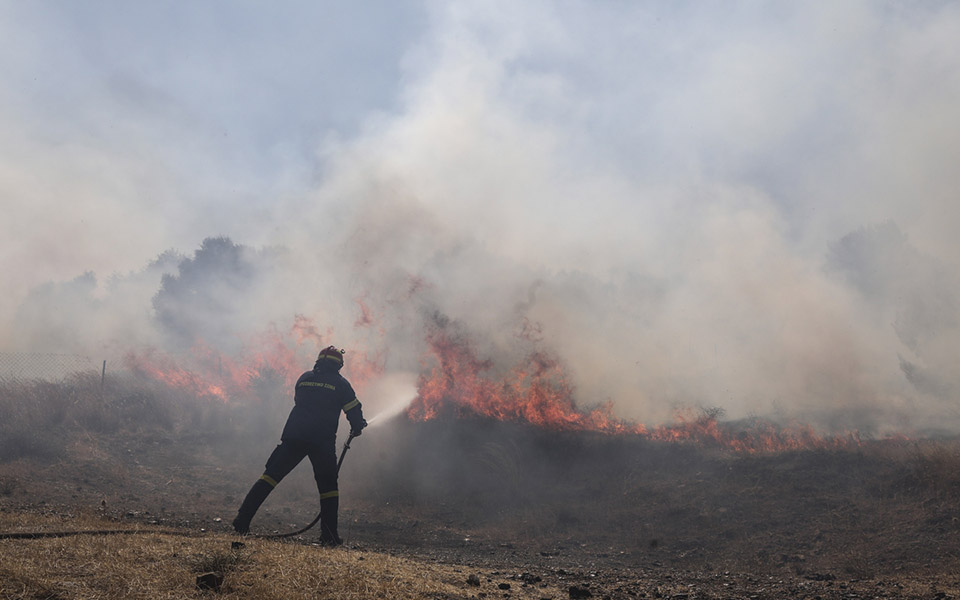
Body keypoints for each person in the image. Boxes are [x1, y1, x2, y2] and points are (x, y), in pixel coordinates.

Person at [232, 345, 367, 545]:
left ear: (319, 361)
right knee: (328, 487)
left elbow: (301, 400)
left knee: (269, 477)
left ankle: (242, 520)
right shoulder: (341, 384)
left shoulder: (304, 378)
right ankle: (329, 536)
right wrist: (358, 426)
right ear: (338, 365)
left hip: (294, 437)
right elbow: (353, 409)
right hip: (321, 441)